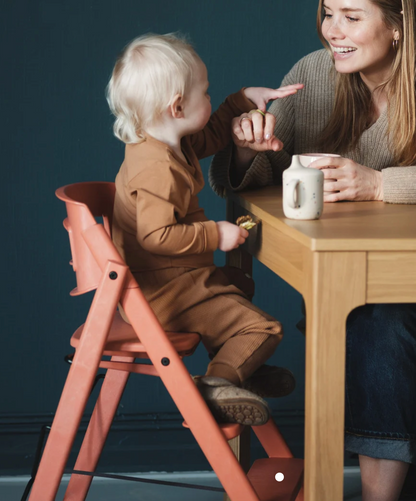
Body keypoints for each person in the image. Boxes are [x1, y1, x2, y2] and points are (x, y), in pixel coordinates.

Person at [209, 0, 416, 499]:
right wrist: (246, 146)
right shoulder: (313, 74)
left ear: (396, 26)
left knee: (383, 315)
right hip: (357, 277)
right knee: (372, 312)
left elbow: (378, 185)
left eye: (351, 15)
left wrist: (381, 184)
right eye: (327, 13)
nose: (333, 31)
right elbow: (251, 181)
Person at [106, 33, 303, 427]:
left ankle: (237, 368)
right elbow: (155, 237)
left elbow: (214, 132)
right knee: (265, 327)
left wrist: (246, 98)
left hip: (170, 281)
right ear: (178, 106)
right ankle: (217, 382)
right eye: (206, 92)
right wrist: (216, 235)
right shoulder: (156, 168)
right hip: (163, 293)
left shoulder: (168, 143)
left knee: (237, 286)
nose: (210, 99)